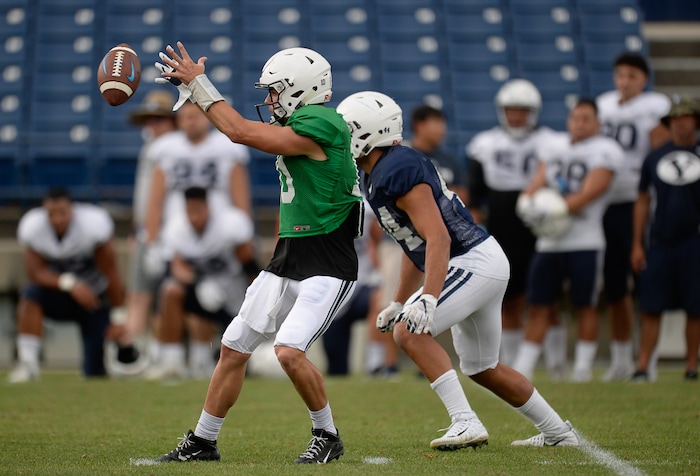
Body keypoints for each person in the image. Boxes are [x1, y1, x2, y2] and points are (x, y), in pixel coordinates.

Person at [153, 43, 362, 464]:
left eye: (276, 91)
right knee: (233, 347)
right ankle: (204, 440)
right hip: (290, 255)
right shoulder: (305, 123)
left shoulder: (322, 121)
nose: (269, 100)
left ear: (301, 90)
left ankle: (328, 434)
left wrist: (198, 85)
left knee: (287, 350)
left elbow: (240, 132)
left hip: (327, 260)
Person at [337, 91, 579, 450]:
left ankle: (465, 422)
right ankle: (560, 433)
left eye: (347, 129)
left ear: (368, 132)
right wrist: (399, 299)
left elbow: (437, 238)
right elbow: (413, 243)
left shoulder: (395, 168)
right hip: (478, 261)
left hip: (470, 260)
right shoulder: (376, 171)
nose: (340, 137)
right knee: (483, 367)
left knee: (409, 331)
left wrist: (428, 299)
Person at [512, 99, 624, 382]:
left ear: (598, 123)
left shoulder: (606, 150)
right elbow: (537, 181)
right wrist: (526, 201)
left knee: (584, 305)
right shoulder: (554, 146)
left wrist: (553, 209)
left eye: (586, 118)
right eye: (575, 118)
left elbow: (591, 191)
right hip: (549, 242)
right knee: (538, 304)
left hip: (585, 239)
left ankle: (582, 368)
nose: (579, 123)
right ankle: (523, 367)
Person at [467, 79, 566, 375]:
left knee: (546, 299)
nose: (516, 116)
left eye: (522, 110)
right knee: (508, 301)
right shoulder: (485, 144)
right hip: (501, 227)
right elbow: (475, 194)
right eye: (511, 110)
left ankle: (558, 366)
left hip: (539, 228)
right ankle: (512, 367)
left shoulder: (550, 141)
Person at [596, 52, 671, 381]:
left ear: (644, 79)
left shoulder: (655, 106)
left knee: (646, 284)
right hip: (607, 202)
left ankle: (648, 359)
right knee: (615, 285)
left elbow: (661, 156)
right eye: (620, 75)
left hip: (641, 202)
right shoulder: (604, 104)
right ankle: (621, 358)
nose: (625, 82)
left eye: (632, 76)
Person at [8, 189, 125, 383]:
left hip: (92, 298)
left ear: (72, 210)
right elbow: (35, 273)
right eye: (51, 214)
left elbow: (111, 271)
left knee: (96, 373)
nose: (57, 219)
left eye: (62, 212)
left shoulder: (93, 225)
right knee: (29, 295)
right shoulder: (33, 227)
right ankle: (28, 364)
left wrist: (119, 316)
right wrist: (70, 284)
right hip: (56, 294)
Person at [145, 187, 257, 380]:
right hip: (201, 290)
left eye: (198, 211)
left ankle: (204, 361)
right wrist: (199, 282)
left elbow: (249, 263)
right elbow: (177, 266)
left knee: (240, 366)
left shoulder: (229, 226)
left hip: (232, 297)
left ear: (208, 208)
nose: (194, 218)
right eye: (190, 212)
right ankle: (173, 362)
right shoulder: (177, 229)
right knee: (170, 291)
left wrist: (257, 302)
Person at [630, 95, 700, 382]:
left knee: (695, 308)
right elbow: (643, 200)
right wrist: (637, 243)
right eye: (675, 118)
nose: (680, 122)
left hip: (694, 241)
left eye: (686, 117)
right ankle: (644, 366)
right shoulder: (655, 156)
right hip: (660, 240)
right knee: (652, 305)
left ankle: (691, 365)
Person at [111, 89, 178, 373]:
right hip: (145, 232)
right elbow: (144, 197)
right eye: (150, 120)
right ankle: (132, 354)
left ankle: (165, 356)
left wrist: (152, 234)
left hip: (169, 234)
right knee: (138, 295)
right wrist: (138, 230)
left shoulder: (175, 150)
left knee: (168, 297)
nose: (153, 125)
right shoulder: (152, 147)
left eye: (159, 119)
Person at [321, 201, 399, 376]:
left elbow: (376, 240)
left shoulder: (365, 206)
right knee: (337, 367)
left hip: (361, 282)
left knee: (379, 299)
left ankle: (376, 362)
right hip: (329, 291)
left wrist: (377, 266)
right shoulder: (315, 202)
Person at [409, 104, 468, 204]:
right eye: (437, 123)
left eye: (443, 124)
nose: (442, 130)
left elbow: (463, 196)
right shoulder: (404, 159)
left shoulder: (450, 160)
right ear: (419, 125)